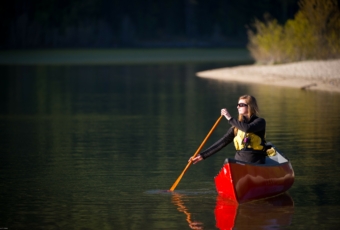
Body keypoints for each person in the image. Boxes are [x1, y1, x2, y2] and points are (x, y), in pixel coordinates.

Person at [190, 95, 268, 164]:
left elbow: (248, 128)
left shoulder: (260, 122)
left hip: (256, 160)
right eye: (238, 105)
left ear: (250, 106)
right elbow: (222, 142)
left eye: (241, 105)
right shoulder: (236, 127)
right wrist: (203, 155)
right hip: (240, 161)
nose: (238, 107)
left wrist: (229, 118)